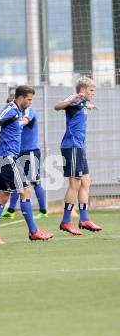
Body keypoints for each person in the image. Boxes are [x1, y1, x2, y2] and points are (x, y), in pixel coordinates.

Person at [0, 85, 54, 244]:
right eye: (29, 99)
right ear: (20, 97)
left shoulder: (18, 112)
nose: (30, 102)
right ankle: (34, 231)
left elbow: (3, 132)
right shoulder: (10, 109)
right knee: (25, 191)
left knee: (4, 195)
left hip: (5, 158)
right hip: (7, 159)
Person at [53, 76, 102, 235]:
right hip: (71, 146)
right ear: (83, 90)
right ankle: (66, 221)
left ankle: (84, 219)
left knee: (86, 182)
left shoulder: (82, 103)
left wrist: (88, 105)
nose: (93, 93)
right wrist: (74, 99)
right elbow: (57, 106)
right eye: (91, 91)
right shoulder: (74, 99)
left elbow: (81, 106)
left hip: (79, 147)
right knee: (75, 183)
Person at [1, 94, 48, 220]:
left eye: (11, 103)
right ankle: (11, 210)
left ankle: (43, 210)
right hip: (17, 152)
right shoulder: (12, 113)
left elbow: (24, 122)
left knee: (34, 181)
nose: (10, 106)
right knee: (18, 182)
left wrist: (11, 122)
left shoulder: (29, 112)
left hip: (31, 150)